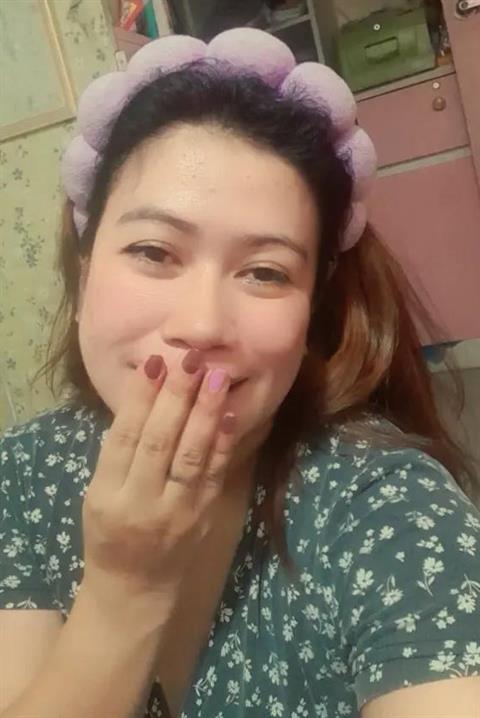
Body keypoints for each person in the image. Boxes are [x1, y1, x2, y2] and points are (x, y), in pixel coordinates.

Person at [0, 27, 479, 718]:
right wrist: (124, 591)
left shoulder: (386, 507)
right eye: (153, 251)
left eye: (265, 272)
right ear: (84, 270)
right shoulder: (22, 475)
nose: (201, 325)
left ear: (312, 310)